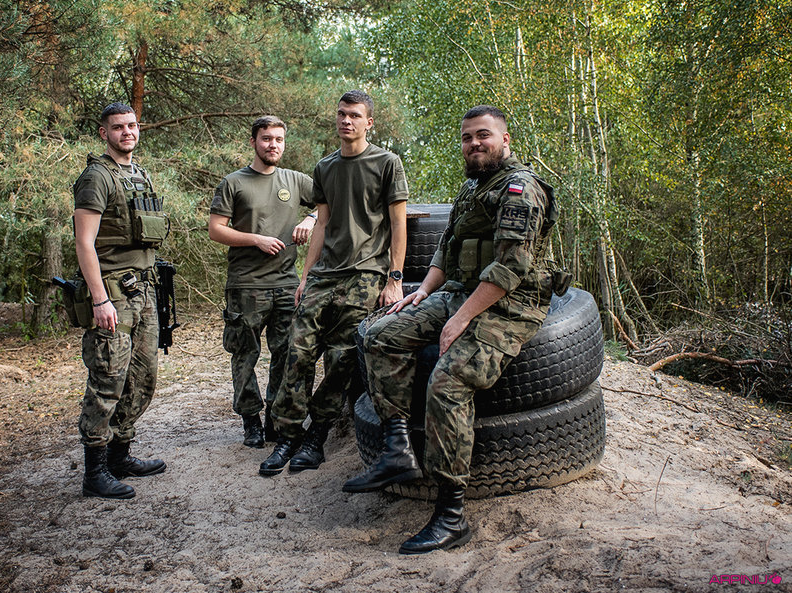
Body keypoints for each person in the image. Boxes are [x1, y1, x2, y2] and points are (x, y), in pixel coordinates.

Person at [343, 105, 558, 554]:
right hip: (460, 291)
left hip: (510, 303)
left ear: (505, 139)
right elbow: (448, 244)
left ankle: (451, 515)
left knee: (447, 380)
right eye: (467, 137)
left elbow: (511, 267)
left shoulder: (520, 189)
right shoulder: (473, 185)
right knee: (380, 335)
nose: (474, 144)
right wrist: (423, 291)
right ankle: (397, 451)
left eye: (483, 135)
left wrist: (459, 320)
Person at [259, 89, 409, 476]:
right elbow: (322, 224)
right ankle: (288, 435)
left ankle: (317, 436)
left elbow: (398, 224)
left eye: (355, 115)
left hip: (366, 273)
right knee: (297, 352)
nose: (346, 120)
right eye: (342, 114)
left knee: (342, 360)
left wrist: (394, 279)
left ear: (369, 122)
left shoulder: (387, 163)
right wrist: (306, 276)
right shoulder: (325, 167)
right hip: (324, 275)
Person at [73, 102, 168, 499]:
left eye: (131, 125)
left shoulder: (139, 174)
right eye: (118, 127)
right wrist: (99, 300)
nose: (127, 132)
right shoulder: (97, 177)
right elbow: (84, 242)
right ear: (104, 133)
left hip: (143, 289)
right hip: (112, 292)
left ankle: (119, 455)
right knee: (108, 379)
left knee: (142, 377)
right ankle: (94, 473)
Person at [209, 116, 317, 448]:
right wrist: (255, 239)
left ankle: (275, 418)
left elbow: (329, 203)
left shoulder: (295, 180)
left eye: (279, 139)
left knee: (286, 353)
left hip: (286, 284)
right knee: (245, 354)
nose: (273, 145)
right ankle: (250, 421)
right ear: (254, 142)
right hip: (246, 285)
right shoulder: (234, 182)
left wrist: (311, 219)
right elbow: (216, 229)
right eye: (267, 138)